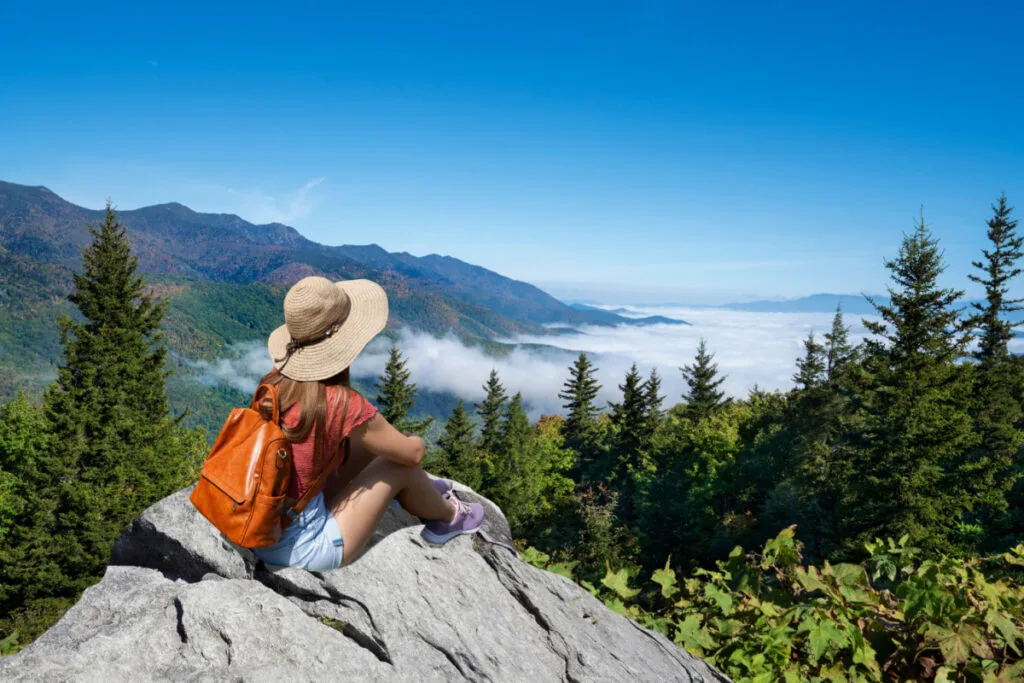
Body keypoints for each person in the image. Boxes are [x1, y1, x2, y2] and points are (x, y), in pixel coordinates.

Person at [251, 275, 484, 571]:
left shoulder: (273, 383)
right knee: (398, 462)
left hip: (262, 528)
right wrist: (416, 440)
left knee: (371, 447)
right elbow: (412, 455)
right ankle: (451, 517)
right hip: (301, 549)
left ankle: (419, 491)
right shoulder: (339, 401)